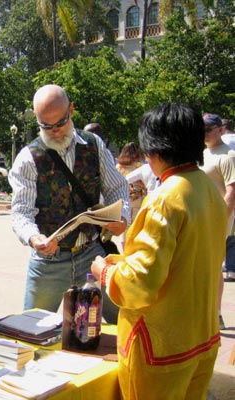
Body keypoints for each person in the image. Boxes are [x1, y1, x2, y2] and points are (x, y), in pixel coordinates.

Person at [91, 103, 225, 400]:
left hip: (162, 347)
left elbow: (140, 284)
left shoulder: (166, 198)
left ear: (155, 150)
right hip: (202, 337)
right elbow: (185, 259)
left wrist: (106, 272)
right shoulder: (208, 189)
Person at [8, 84, 130, 324]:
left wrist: (123, 217)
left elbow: (117, 188)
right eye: (46, 126)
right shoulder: (28, 158)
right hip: (48, 263)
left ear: (71, 110)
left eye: (60, 123)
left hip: (92, 254)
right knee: (30, 328)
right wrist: (34, 238)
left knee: (125, 321)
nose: (54, 132)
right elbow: (21, 212)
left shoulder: (93, 145)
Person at [200, 113, 235, 330]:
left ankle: (216, 314)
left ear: (220, 130)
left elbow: (232, 191)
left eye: (208, 129)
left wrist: (221, 218)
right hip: (201, 216)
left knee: (212, 266)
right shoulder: (203, 153)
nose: (204, 133)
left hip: (217, 218)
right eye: (201, 130)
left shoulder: (228, 155)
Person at [115, 142, 147, 224]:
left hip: (122, 197)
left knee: (123, 222)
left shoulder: (119, 166)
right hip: (137, 199)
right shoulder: (140, 166)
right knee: (134, 223)